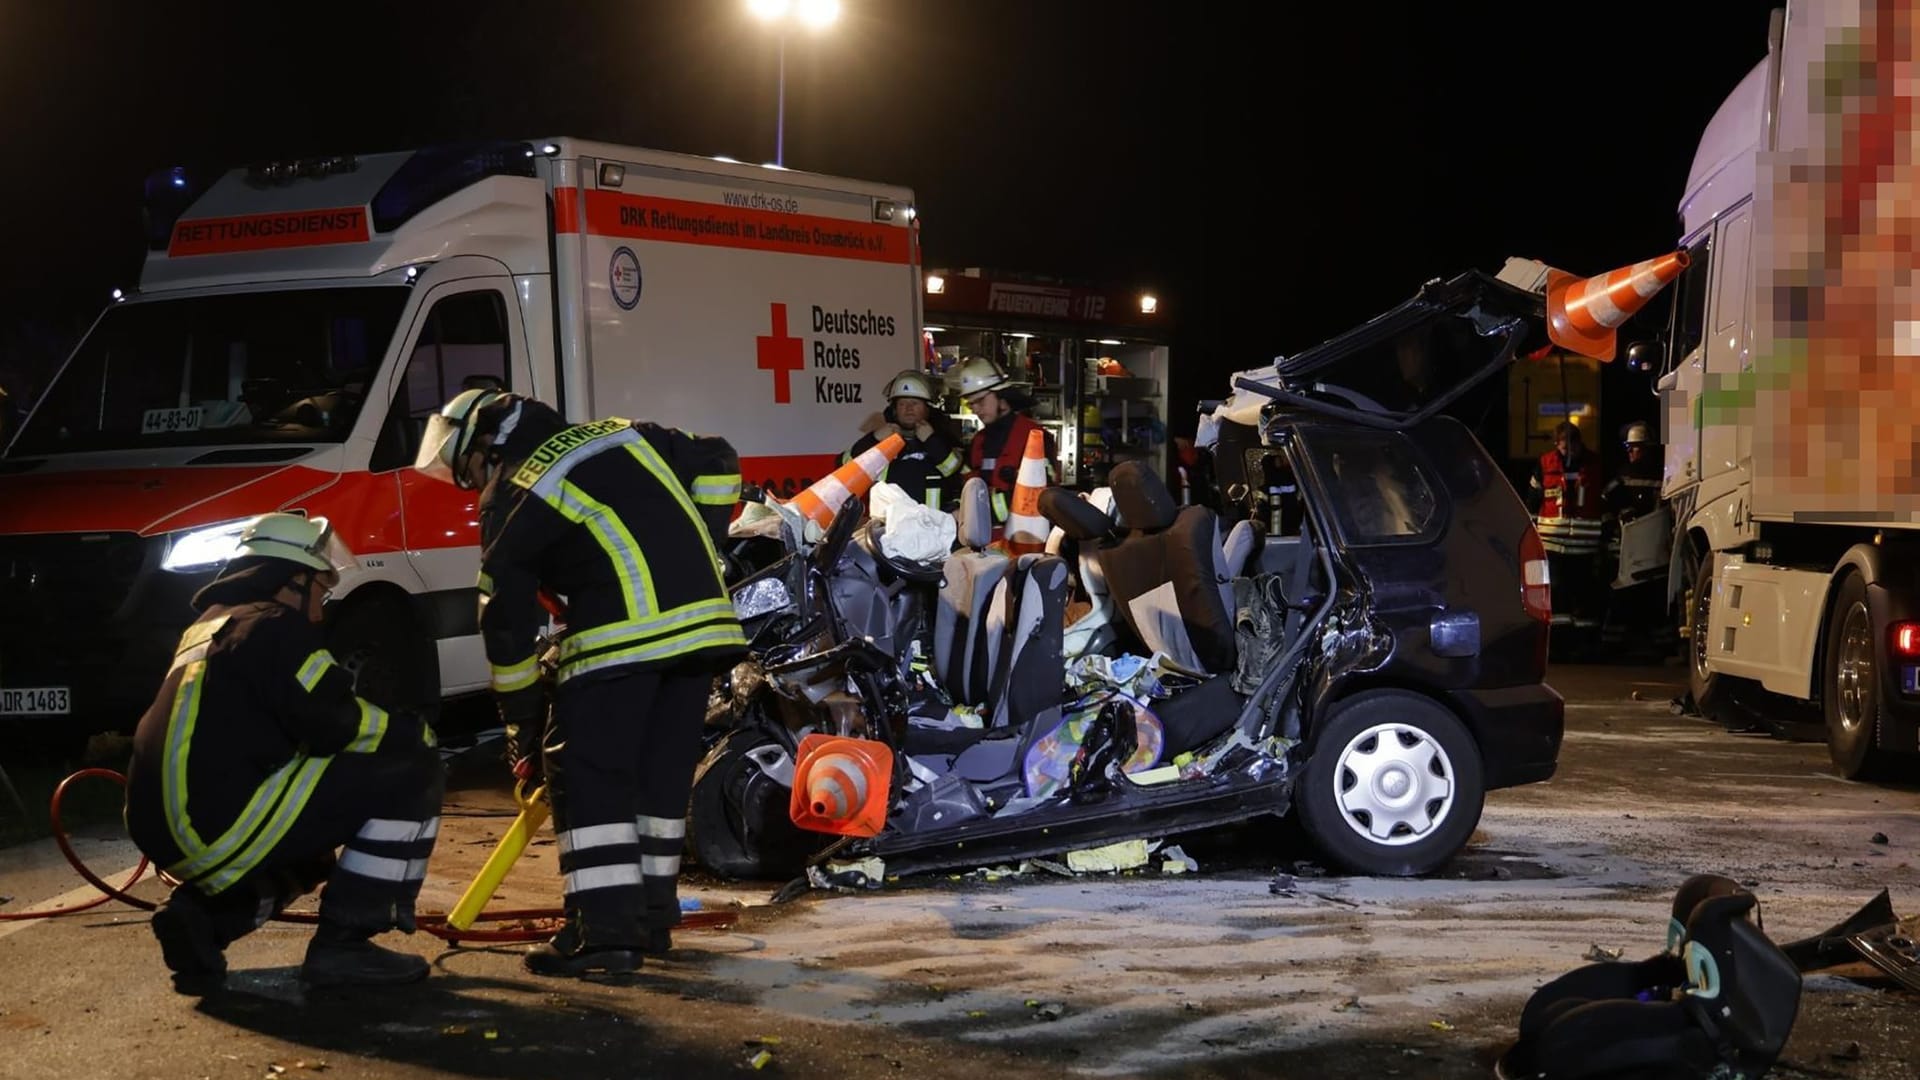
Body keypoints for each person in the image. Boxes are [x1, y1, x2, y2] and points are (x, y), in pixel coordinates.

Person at [415, 387, 747, 978]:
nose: (470, 485)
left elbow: (506, 621)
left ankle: (602, 937)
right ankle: (648, 917)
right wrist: (703, 542)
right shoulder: (624, 432)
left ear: (486, 444)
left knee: (589, 777)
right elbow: (719, 459)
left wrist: (520, 723)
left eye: (465, 469)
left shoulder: (513, 492)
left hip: (619, 640)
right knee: (658, 782)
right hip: (700, 631)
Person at [124, 512, 444, 994]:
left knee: (312, 847)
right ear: (293, 580)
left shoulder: (211, 626)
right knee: (410, 771)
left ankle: (202, 921)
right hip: (215, 827)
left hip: (169, 830)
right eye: (321, 589)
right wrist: (413, 734)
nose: (322, 606)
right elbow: (335, 722)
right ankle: (346, 945)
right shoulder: (276, 626)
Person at [953, 356, 1056, 539]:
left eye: (981, 401)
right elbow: (970, 484)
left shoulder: (1034, 436)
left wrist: (980, 512)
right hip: (985, 541)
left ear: (1001, 397)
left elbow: (1042, 496)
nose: (976, 409)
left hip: (1026, 541)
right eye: (971, 404)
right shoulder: (979, 441)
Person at [1527, 421, 1606, 647]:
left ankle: (1586, 645)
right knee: (1557, 593)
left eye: (1572, 446)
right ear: (1556, 444)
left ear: (1579, 443)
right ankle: (1560, 645)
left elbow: (1603, 499)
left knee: (1584, 594)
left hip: (1584, 544)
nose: (1568, 452)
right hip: (1553, 543)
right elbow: (1533, 500)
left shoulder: (1595, 464)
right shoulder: (1544, 464)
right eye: (1563, 447)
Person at [842, 369, 963, 509]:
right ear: (894, 409)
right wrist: (875, 439)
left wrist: (931, 441)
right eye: (902, 404)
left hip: (933, 526)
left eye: (915, 403)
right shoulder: (881, 441)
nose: (908, 409)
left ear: (927, 408)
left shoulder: (943, 439)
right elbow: (848, 468)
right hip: (890, 527)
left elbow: (955, 470)